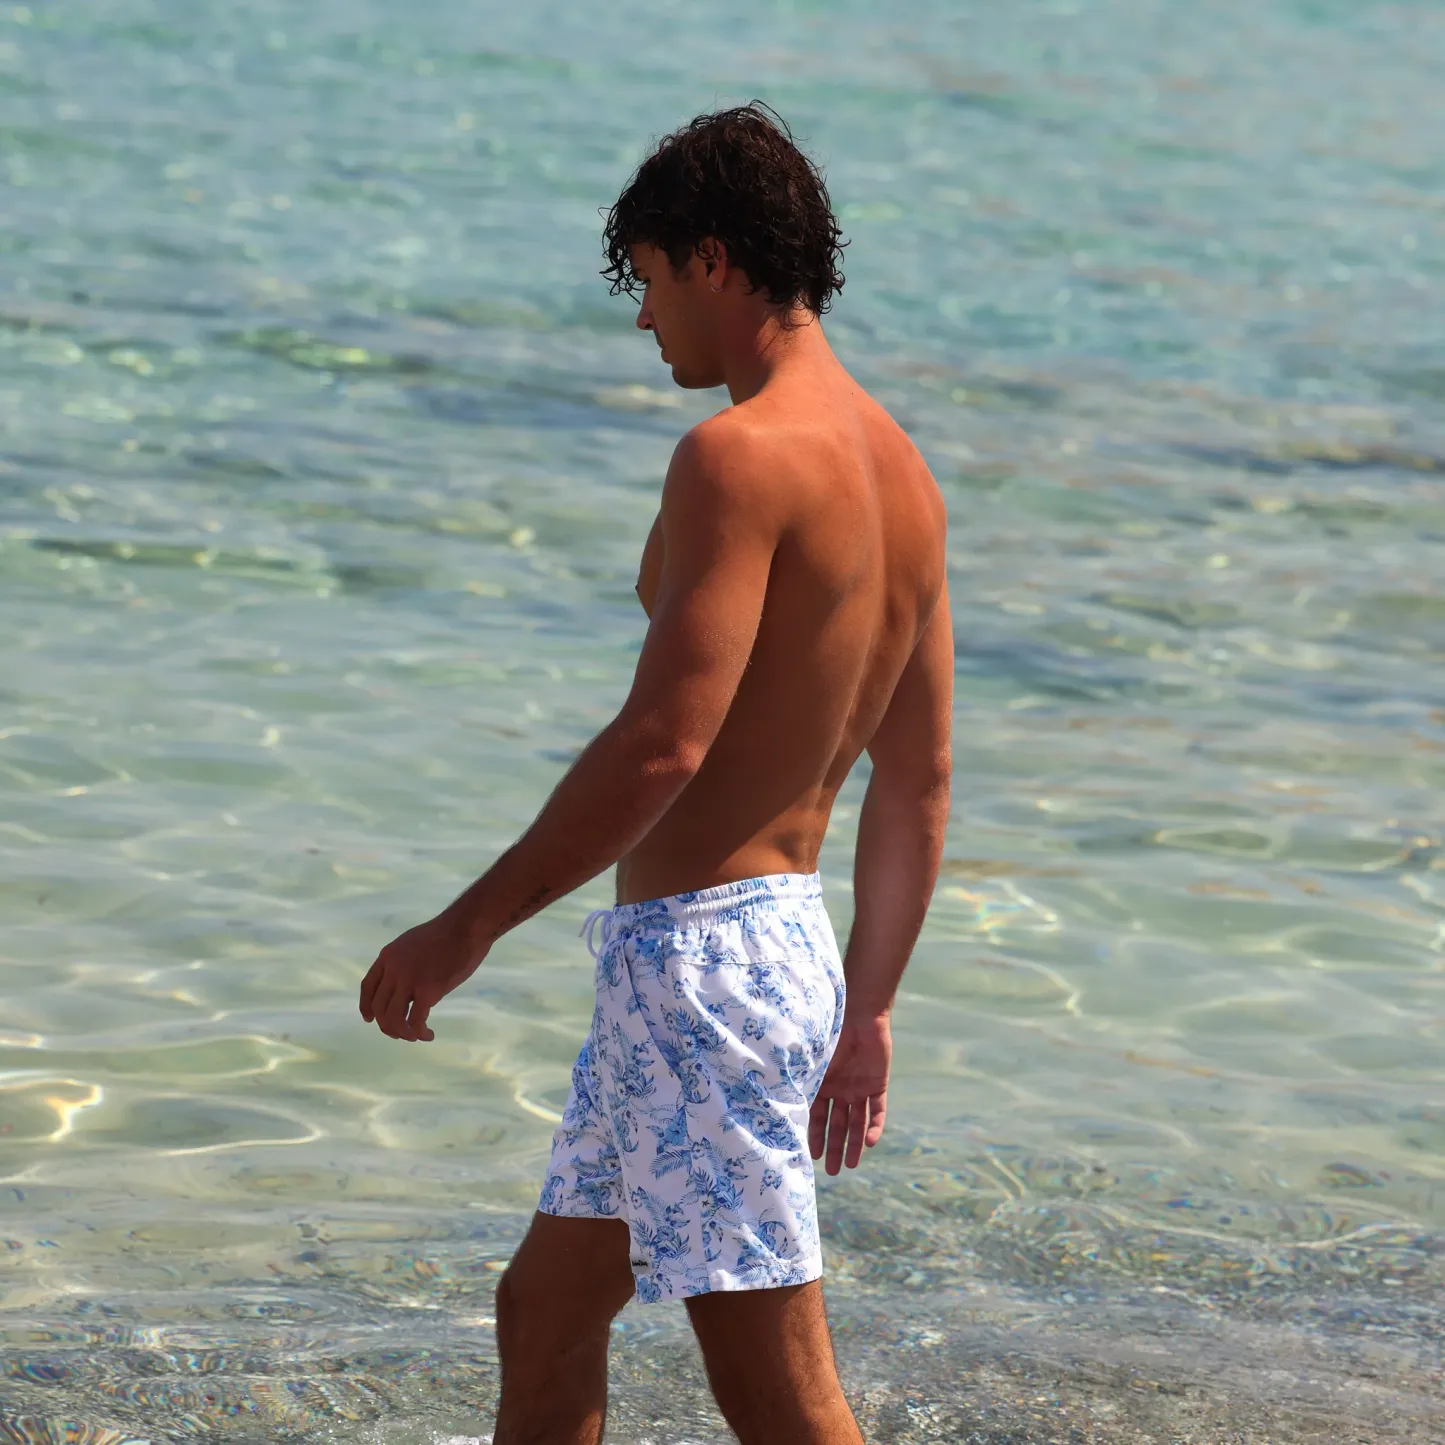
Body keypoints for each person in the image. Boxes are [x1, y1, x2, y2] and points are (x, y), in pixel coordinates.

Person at [360, 102, 952, 1445]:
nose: (643, 317)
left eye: (647, 279)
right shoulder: (906, 479)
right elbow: (918, 782)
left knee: (782, 1400)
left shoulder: (739, 458)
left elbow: (663, 744)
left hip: (703, 975)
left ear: (713, 260)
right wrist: (865, 1008)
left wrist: (467, 927)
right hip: (773, 954)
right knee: (546, 1313)